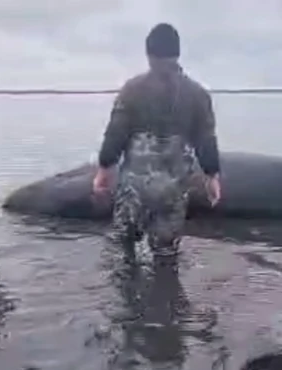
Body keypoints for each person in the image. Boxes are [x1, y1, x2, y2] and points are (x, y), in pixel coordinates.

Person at [92, 23, 222, 257]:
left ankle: (127, 292)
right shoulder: (198, 95)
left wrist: (104, 168)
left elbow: (115, 133)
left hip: (135, 189)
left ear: (148, 54)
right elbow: (206, 139)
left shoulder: (132, 90)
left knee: (124, 249)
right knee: (166, 254)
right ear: (178, 54)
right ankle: (167, 291)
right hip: (172, 190)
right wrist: (212, 176)